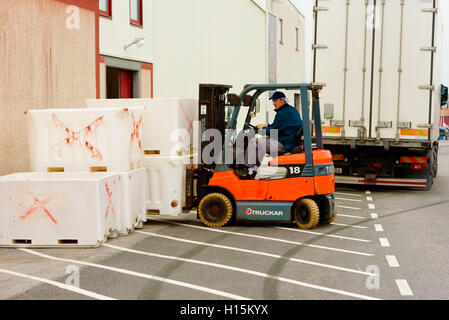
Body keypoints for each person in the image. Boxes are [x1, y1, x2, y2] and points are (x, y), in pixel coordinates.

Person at [244, 91, 303, 175]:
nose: (273, 103)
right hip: (288, 141)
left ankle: (247, 169)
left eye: (275, 101)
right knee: (262, 143)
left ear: (282, 100)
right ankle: (254, 169)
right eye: (273, 101)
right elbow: (280, 126)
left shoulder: (282, 113)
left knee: (254, 142)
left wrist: (258, 131)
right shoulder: (290, 110)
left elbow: (272, 131)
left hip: (285, 144)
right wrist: (266, 125)